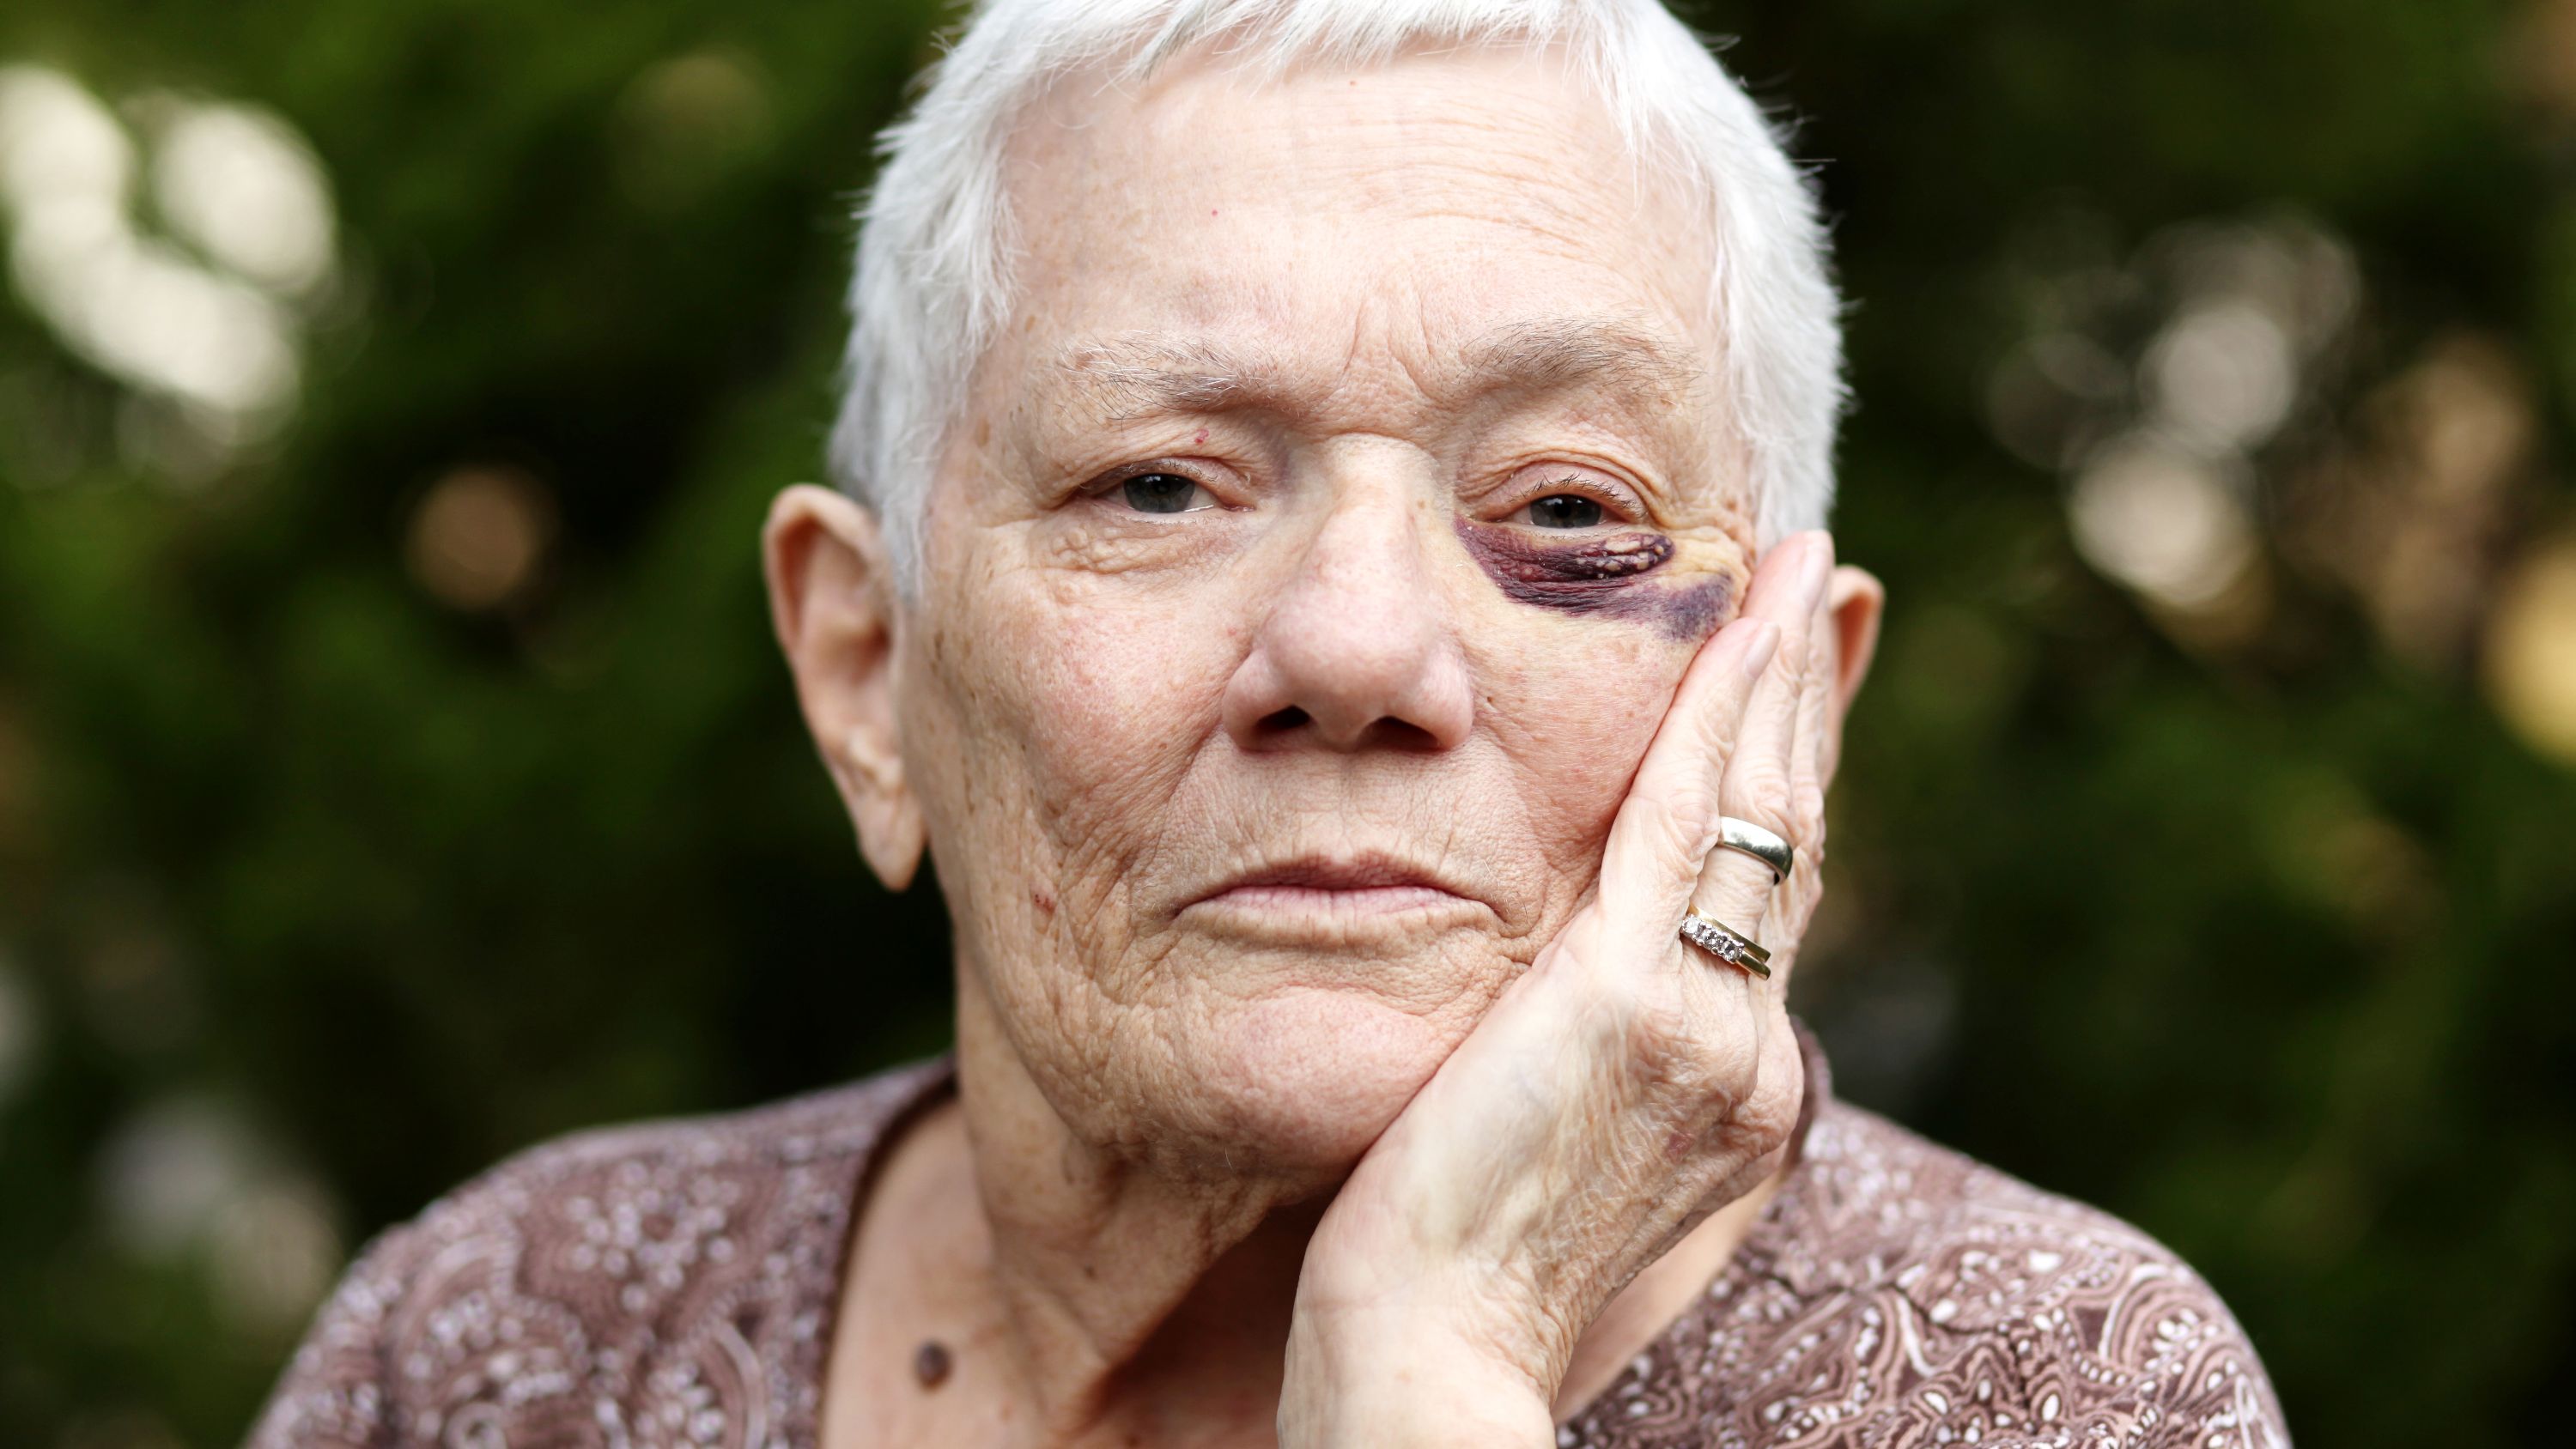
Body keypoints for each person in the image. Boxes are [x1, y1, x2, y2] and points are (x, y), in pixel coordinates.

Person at [246, 1, 2290, 1445]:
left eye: (1568, 510)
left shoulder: (2050, 1395)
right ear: (867, 673)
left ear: (1796, 717)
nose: (1360, 648)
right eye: (1160, 486)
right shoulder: (509, 1346)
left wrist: (1436, 1355)